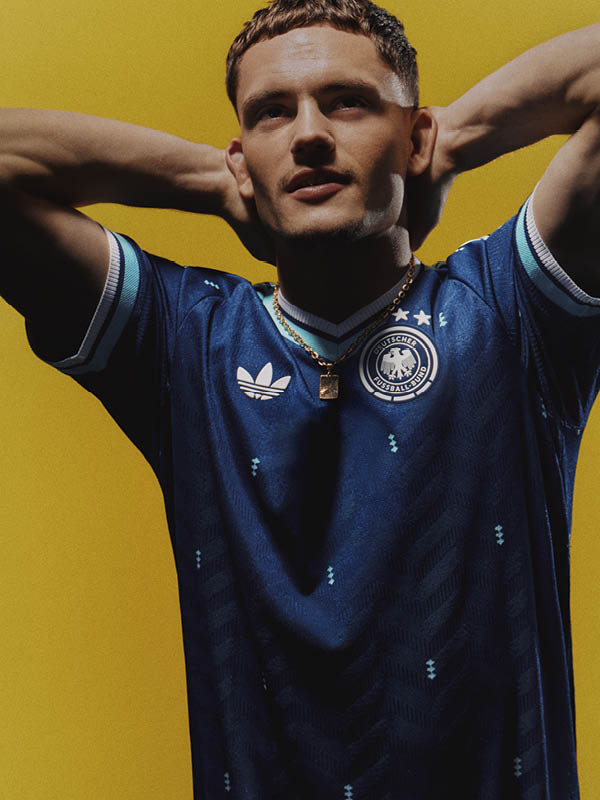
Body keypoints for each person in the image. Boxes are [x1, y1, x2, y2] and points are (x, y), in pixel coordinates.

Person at [2, 0, 599, 796]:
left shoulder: (509, 312)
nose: (309, 135)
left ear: (414, 135)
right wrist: (211, 180)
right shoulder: (184, 343)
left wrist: (454, 139)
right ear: (243, 156)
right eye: (271, 113)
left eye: (348, 103)